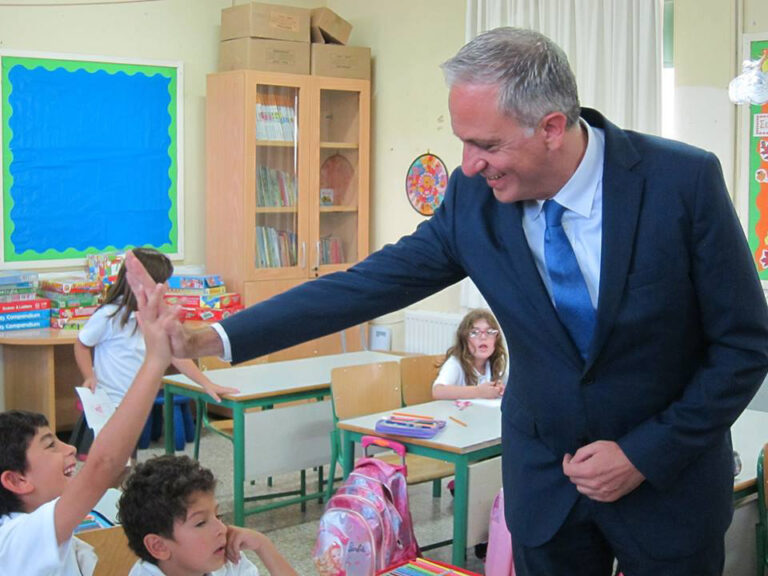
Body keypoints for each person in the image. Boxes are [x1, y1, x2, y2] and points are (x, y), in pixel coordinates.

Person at [127, 27, 768, 576]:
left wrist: (644, 454)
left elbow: (745, 343)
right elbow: (363, 286)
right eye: (463, 141)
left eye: (486, 145)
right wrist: (214, 337)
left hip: (667, 484)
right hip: (547, 486)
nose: (467, 165)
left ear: (552, 127)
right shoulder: (474, 200)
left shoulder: (680, 182)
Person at [0, 281, 178, 575]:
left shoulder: (30, 526)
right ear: (17, 480)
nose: (70, 447)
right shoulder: (17, 538)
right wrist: (156, 361)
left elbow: (107, 474)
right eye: (50, 445)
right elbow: (102, 464)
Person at [74, 248, 237, 454]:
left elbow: (176, 355)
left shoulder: (157, 317)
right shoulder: (110, 316)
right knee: (106, 459)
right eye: (163, 281)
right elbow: (81, 344)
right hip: (109, 403)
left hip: (134, 403)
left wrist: (206, 383)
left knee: (126, 460)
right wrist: (89, 376)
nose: (167, 286)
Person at [118, 454, 296, 576]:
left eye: (218, 516)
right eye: (201, 523)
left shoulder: (226, 561)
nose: (222, 529)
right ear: (159, 546)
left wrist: (263, 545)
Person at [432, 308, 508, 400]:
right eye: (474, 333)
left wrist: (500, 389)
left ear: (496, 340)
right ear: (464, 339)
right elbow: (438, 391)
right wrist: (479, 392)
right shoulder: (455, 363)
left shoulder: (494, 364)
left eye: (490, 332)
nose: (483, 337)